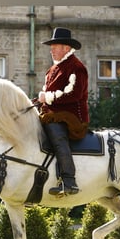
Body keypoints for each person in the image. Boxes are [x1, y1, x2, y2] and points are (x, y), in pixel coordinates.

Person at [37, 27, 89, 196]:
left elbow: (75, 94)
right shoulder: (51, 70)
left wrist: (48, 98)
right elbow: (46, 98)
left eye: (55, 46)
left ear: (66, 48)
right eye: (51, 47)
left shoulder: (76, 67)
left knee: (55, 133)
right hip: (53, 114)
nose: (51, 50)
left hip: (73, 117)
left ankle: (69, 181)